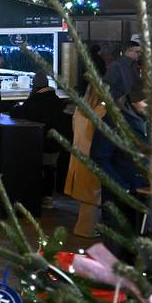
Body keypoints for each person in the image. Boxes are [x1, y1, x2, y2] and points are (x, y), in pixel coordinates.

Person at [90, 84, 148, 259]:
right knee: (117, 245)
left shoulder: (151, 121)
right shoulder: (114, 121)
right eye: (146, 102)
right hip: (119, 194)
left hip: (144, 192)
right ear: (134, 101)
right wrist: (121, 187)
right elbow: (99, 157)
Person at [10, 72, 72, 207]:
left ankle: (35, 195)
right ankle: (48, 197)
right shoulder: (56, 99)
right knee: (50, 168)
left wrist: (15, 107)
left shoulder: (35, 100)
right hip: (56, 143)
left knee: (38, 167)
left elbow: (18, 112)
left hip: (40, 142)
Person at [63, 85, 107, 238]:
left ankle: (87, 226)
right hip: (92, 154)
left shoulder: (80, 108)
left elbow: (74, 128)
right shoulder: (101, 111)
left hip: (78, 152)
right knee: (92, 195)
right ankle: (85, 229)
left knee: (86, 194)